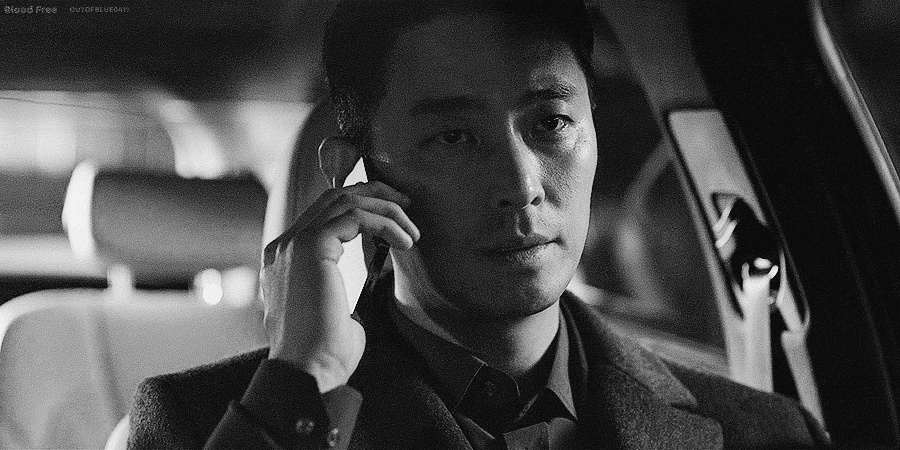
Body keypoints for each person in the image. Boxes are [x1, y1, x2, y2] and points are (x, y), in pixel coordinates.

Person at [129, 1, 831, 448]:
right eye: (455, 138)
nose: (522, 186)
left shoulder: (763, 433)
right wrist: (303, 381)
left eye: (551, 124)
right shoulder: (205, 423)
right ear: (352, 170)